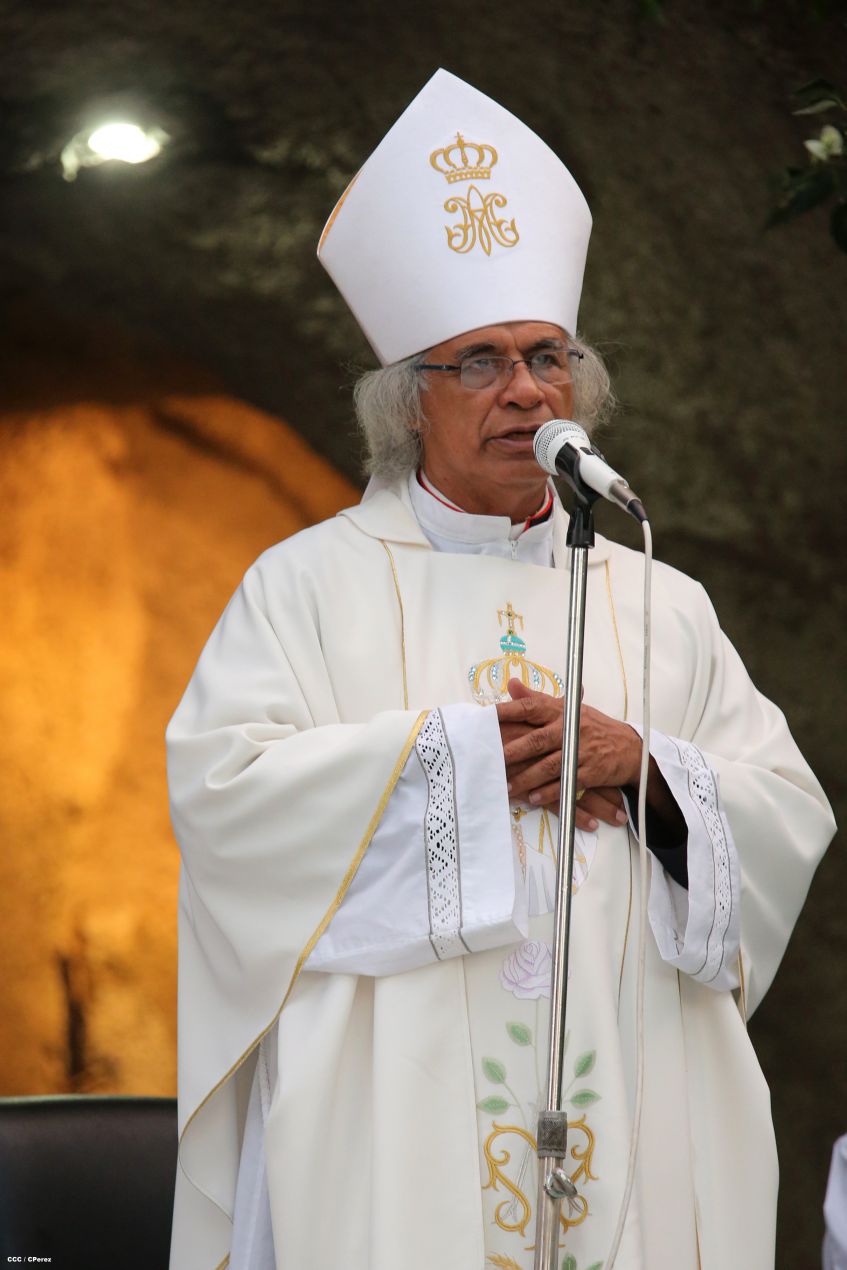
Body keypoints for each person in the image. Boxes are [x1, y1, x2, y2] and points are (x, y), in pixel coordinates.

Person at [166, 70, 835, 1270]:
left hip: (635, 1086)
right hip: (398, 1117)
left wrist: (644, 770)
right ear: (405, 404)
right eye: (477, 361)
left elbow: (786, 814)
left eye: (545, 356)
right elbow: (225, 806)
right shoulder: (304, 585)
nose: (525, 389)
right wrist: (462, 762)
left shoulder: (662, 599)